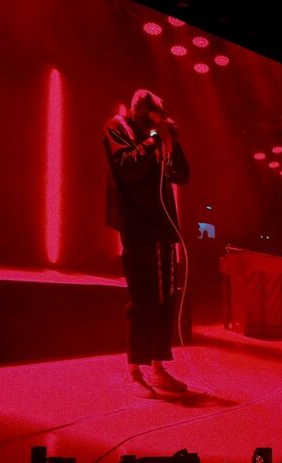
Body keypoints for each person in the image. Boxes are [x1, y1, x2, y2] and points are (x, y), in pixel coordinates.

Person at [103, 89, 191, 398]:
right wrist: (155, 138)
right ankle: (134, 371)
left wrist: (172, 142)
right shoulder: (117, 127)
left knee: (165, 299)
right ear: (139, 111)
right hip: (138, 228)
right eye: (154, 116)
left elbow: (181, 176)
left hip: (162, 229)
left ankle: (157, 367)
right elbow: (126, 168)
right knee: (143, 300)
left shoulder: (155, 136)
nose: (157, 121)